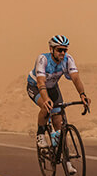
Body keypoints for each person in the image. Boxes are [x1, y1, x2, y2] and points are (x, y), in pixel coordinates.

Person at [26, 35, 91, 164]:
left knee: (59, 122)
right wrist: (46, 99)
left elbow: (76, 78)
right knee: (46, 106)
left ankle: (65, 158)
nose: (62, 53)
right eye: (59, 50)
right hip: (36, 87)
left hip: (52, 88)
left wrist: (82, 95)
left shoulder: (68, 60)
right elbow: (40, 82)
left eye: (64, 50)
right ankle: (40, 136)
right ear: (52, 49)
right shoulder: (43, 59)